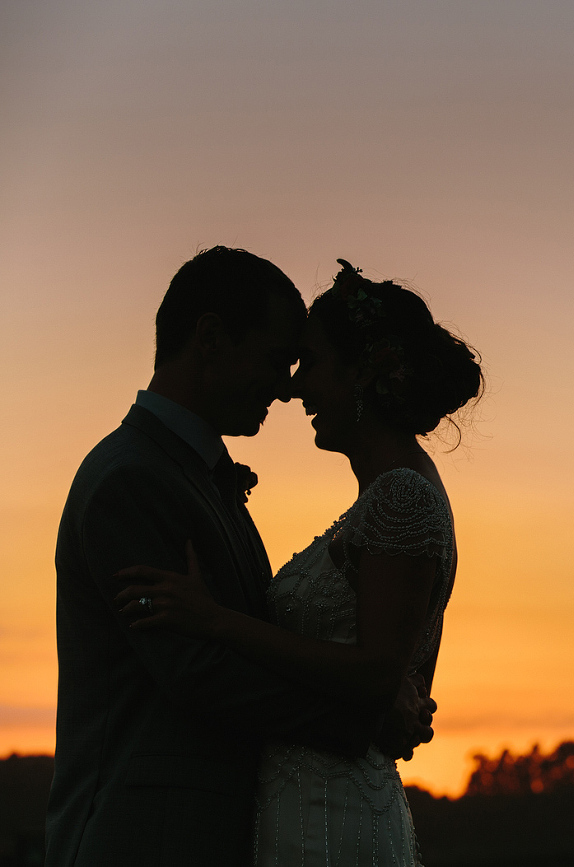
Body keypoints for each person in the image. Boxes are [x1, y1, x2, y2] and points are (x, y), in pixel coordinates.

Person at [48, 248, 438, 867]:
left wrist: (376, 682)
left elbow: (252, 638)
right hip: (145, 836)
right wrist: (362, 719)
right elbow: (197, 671)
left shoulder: (199, 477)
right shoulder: (132, 480)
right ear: (211, 337)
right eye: (278, 358)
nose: (287, 387)